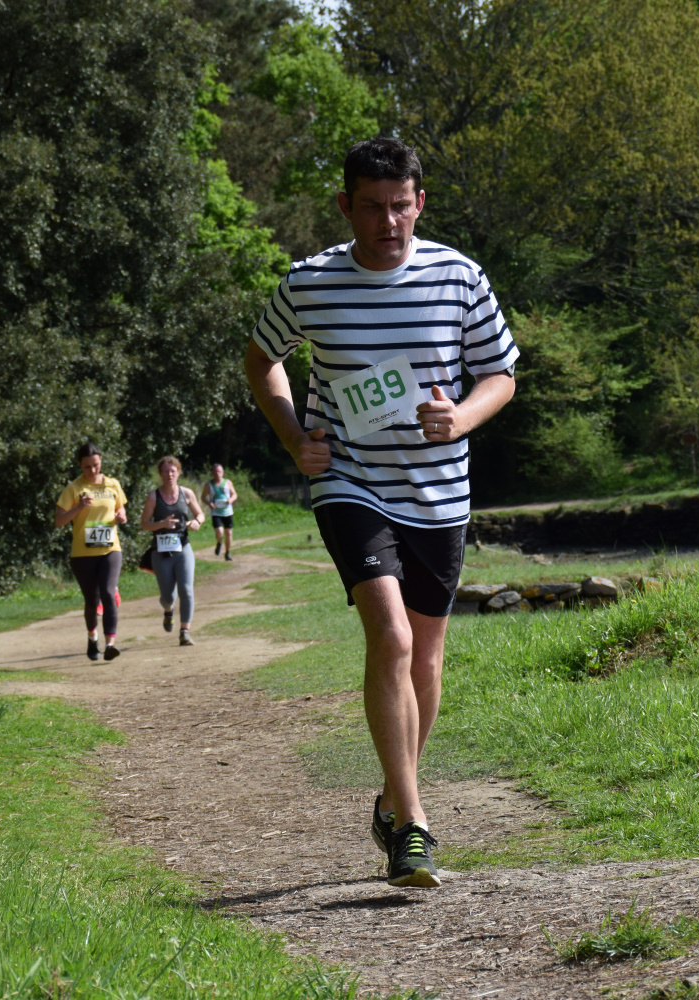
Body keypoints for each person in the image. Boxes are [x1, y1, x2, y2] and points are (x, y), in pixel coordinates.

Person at [245, 137, 517, 888]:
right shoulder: (310, 282)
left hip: (439, 493)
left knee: (425, 659)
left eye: (400, 206)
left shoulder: (459, 276)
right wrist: (294, 436)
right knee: (391, 637)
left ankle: (393, 800)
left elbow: (499, 374)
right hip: (352, 484)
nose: (388, 222)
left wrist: (460, 419)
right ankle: (415, 825)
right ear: (345, 206)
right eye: (371, 207)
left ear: (420, 203)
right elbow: (262, 357)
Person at [54, 443, 129, 661]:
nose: (92, 470)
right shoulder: (73, 489)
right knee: (91, 600)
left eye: (96, 465)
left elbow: (120, 507)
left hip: (110, 549)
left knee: (108, 592)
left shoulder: (112, 484)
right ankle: (92, 637)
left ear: (101, 461)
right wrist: (78, 507)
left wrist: (121, 516)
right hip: (83, 554)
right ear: (80, 465)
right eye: (87, 467)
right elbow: (59, 521)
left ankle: (110, 644)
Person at [141, 455, 205, 646]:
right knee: (168, 596)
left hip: (183, 547)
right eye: (165, 471)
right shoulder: (154, 497)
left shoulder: (187, 493)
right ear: (160, 474)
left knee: (186, 589)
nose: (169, 474)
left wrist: (197, 522)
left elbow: (200, 514)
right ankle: (168, 610)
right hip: (161, 552)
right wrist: (162, 524)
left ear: (178, 473)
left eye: (173, 471)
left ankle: (185, 632)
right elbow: (145, 524)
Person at [202, 463, 239, 560]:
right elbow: (203, 497)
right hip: (216, 512)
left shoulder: (228, 482)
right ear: (212, 473)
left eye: (219, 471)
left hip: (228, 512)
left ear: (223, 472)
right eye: (215, 472)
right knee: (219, 532)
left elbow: (234, 494)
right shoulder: (209, 484)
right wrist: (209, 503)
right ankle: (219, 542)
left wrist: (231, 500)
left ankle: (227, 553)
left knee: (228, 533)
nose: (217, 473)